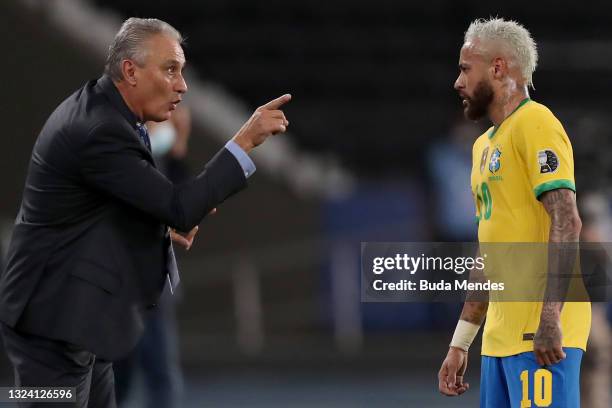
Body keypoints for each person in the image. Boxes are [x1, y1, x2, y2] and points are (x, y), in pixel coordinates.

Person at [0, 17, 290, 408]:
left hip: (81, 318)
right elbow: (178, 207)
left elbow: (99, 205)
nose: (182, 85)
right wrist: (245, 140)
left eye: (182, 71)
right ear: (130, 71)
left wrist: (159, 229)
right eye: (171, 69)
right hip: (51, 323)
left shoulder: (111, 115)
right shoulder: (100, 129)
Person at [437, 18, 590, 408]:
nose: (458, 82)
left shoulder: (535, 123)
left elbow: (566, 220)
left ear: (499, 68)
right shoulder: (483, 147)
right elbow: (488, 253)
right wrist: (461, 342)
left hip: (540, 335)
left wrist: (551, 319)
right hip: (499, 340)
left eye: (465, 68)